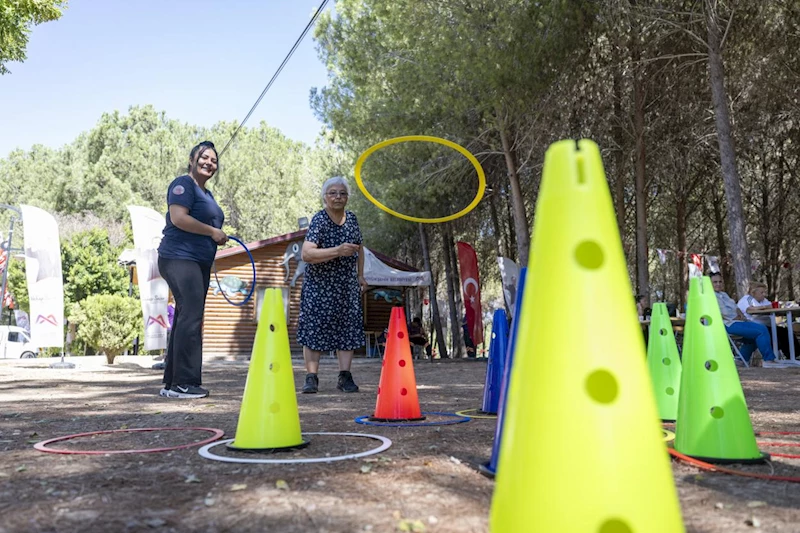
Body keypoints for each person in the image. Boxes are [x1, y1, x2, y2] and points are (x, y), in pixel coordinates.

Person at [157, 141, 227, 398]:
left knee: (187, 316)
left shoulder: (207, 194)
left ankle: (172, 384)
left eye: (214, 160)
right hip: (178, 257)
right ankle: (185, 383)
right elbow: (178, 218)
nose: (210, 162)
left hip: (198, 261)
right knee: (191, 316)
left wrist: (216, 236)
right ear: (191, 159)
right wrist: (212, 231)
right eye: (204, 157)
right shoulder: (183, 185)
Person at [297, 176, 367, 393]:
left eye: (342, 193)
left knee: (348, 328)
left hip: (346, 284)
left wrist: (360, 275)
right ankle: (311, 378)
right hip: (319, 286)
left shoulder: (352, 219)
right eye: (333, 193)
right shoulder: (319, 220)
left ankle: (345, 377)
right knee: (314, 329)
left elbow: (359, 248)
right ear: (325, 197)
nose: (338, 197)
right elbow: (307, 253)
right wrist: (337, 251)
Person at [710, 272, 780, 367]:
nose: (718, 284)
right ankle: (769, 360)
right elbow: (724, 313)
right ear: (709, 283)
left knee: (757, 333)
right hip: (727, 324)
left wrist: (740, 314)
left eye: (720, 281)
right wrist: (735, 315)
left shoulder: (724, 294)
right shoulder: (710, 296)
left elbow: (736, 307)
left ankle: (740, 359)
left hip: (737, 321)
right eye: (715, 282)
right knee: (761, 330)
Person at [737, 281, 800, 357]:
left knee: (785, 331)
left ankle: (794, 356)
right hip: (754, 326)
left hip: (768, 325)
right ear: (753, 293)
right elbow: (750, 309)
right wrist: (765, 307)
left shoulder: (764, 300)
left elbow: (771, 306)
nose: (764, 294)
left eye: (764, 292)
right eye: (761, 292)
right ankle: (773, 358)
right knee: (775, 335)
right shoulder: (747, 299)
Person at [151, 298, 174, 371]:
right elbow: (164, 317)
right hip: (169, 329)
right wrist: (167, 325)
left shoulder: (178, 308)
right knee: (168, 345)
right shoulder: (169, 308)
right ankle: (166, 361)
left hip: (176, 329)